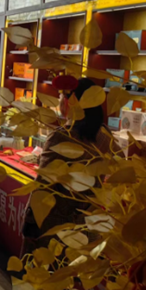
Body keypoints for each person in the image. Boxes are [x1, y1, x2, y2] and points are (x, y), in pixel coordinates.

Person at [21, 78, 114, 254]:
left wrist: (30, 222)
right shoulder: (106, 136)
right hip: (87, 223)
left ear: (72, 102)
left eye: (61, 97)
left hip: (54, 225)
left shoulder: (61, 137)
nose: (59, 101)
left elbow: (43, 185)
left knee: (44, 268)